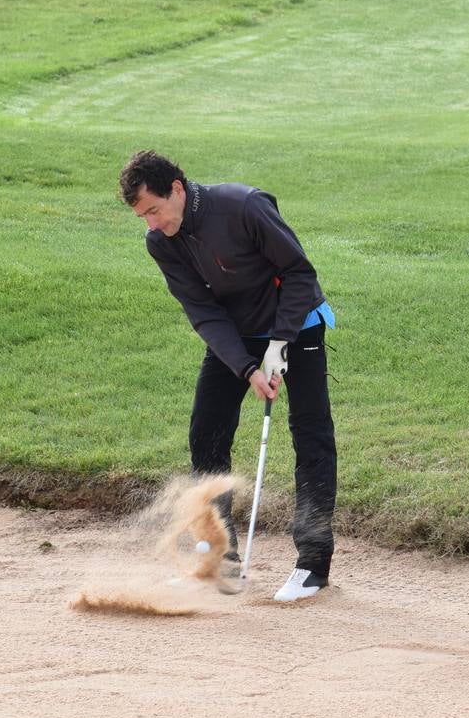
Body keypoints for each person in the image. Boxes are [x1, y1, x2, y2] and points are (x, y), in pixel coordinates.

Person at [118, 150, 337, 602]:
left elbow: (298, 272)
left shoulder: (244, 206)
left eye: (154, 211)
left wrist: (279, 343)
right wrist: (246, 367)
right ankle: (220, 558)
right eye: (142, 217)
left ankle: (312, 567)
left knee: (310, 435)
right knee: (207, 433)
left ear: (176, 189)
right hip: (235, 334)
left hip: (297, 323)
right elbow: (203, 311)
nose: (151, 224)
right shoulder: (161, 241)